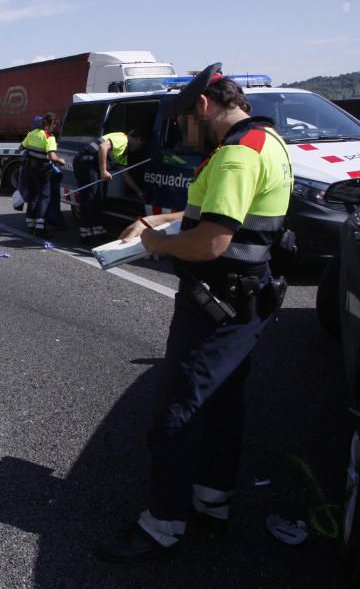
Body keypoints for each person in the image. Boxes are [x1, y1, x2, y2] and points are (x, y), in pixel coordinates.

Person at [94, 63, 292, 562]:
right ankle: (212, 502)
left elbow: (210, 242)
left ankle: (162, 524)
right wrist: (158, 217)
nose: (185, 132)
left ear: (202, 107)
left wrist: (155, 243)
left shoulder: (234, 157)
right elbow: (218, 213)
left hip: (216, 304)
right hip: (248, 300)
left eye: (183, 124)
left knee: (176, 413)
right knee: (224, 406)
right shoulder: (265, 142)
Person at [72, 128, 146, 245]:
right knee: (90, 198)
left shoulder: (123, 152)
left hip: (92, 163)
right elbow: (103, 147)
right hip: (86, 161)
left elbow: (124, 173)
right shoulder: (122, 139)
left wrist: (138, 192)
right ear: (138, 140)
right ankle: (86, 234)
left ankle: (97, 231)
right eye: (140, 145)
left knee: (98, 198)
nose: (138, 149)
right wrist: (103, 171)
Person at [19, 112, 66, 236]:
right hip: (42, 171)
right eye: (55, 124)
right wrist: (60, 161)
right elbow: (52, 156)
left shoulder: (31, 133)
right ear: (52, 124)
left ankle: (30, 224)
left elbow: (21, 148)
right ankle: (40, 228)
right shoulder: (49, 137)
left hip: (29, 170)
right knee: (44, 197)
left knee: (32, 196)